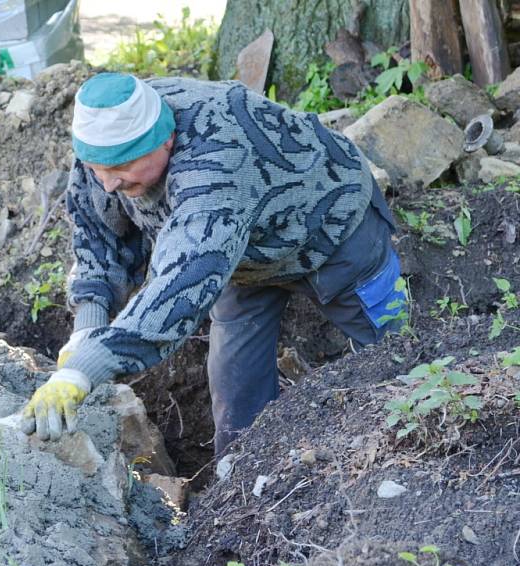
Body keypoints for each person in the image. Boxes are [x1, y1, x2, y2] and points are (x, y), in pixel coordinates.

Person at [20, 72, 405, 459]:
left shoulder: (216, 162)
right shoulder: (105, 143)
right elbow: (99, 237)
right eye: (95, 168)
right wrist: (88, 328)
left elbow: (182, 284)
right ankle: (242, 480)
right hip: (239, 256)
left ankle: (405, 443)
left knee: (394, 352)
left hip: (331, 226)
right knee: (237, 384)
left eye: (121, 168)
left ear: (165, 139)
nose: (107, 184)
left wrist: (86, 368)